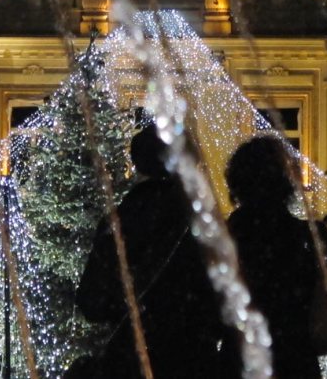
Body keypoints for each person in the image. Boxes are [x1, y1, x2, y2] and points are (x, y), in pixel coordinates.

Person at [76, 127, 221, 378]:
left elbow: (92, 303)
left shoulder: (117, 223)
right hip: (192, 360)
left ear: (137, 163)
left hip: (130, 358)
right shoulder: (203, 226)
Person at [221, 135, 327, 379]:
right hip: (295, 356)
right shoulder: (311, 236)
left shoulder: (225, 238)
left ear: (237, 183)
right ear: (286, 182)